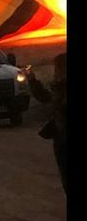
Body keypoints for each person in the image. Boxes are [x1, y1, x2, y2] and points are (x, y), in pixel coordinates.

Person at [27, 52, 66, 195]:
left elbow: (51, 102)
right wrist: (33, 82)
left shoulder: (61, 86)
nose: (55, 72)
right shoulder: (59, 86)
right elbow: (46, 98)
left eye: (57, 69)